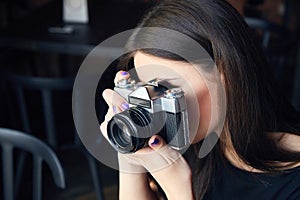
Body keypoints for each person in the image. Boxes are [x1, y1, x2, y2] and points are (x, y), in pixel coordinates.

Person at [99, 0, 300, 199]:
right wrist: (129, 152)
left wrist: (179, 191)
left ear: (227, 75)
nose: (149, 102)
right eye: (143, 86)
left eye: (165, 88)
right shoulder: (190, 140)